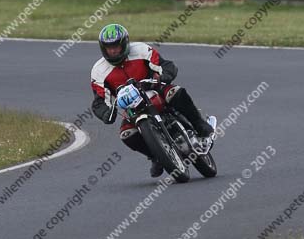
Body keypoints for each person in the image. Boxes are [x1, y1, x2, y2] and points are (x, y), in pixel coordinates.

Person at [90, 24, 214, 177]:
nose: (113, 51)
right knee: (126, 134)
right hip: (132, 108)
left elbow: (165, 64)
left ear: (125, 44)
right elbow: (99, 101)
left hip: (156, 90)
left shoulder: (141, 50)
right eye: (109, 48)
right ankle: (155, 156)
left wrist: (164, 76)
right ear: (103, 48)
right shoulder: (98, 71)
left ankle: (199, 124)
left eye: (116, 46)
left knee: (175, 92)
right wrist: (106, 113)